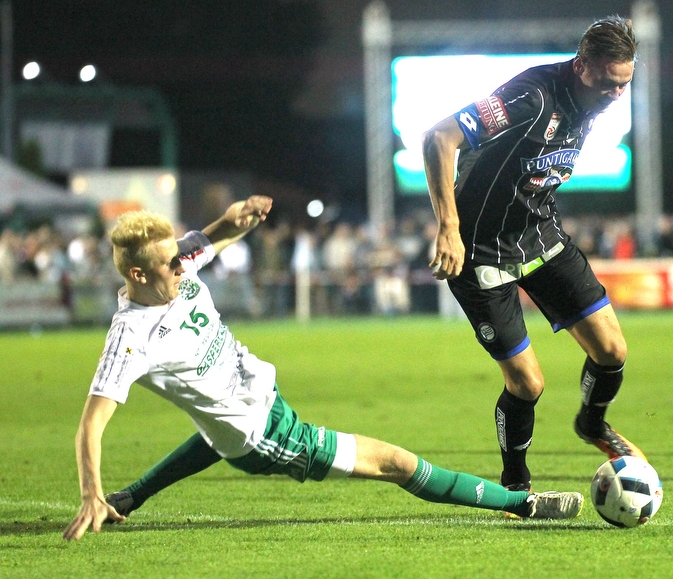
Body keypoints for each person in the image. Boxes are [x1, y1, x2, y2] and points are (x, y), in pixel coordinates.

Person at [63, 198, 583, 541]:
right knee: (397, 463)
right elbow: (92, 422)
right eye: (168, 263)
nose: (182, 265)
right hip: (265, 433)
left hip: (251, 403)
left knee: (215, 431)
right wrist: (89, 492)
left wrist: (235, 219)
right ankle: (521, 502)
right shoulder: (130, 337)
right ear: (137, 274)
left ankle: (131, 497)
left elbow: (208, 239)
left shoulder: (175, 264)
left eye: (179, 256)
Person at [422, 16, 644, 493]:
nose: (616, 96)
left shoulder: (594, 101)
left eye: (625, 85)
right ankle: (515, 486)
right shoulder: (532, 97)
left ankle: (592, 423)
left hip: (541, 238)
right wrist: (449, 228)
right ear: (583, 66)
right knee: (528, 384)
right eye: (609, 84)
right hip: (481, 253)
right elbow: (440, 138)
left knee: (612, 352)